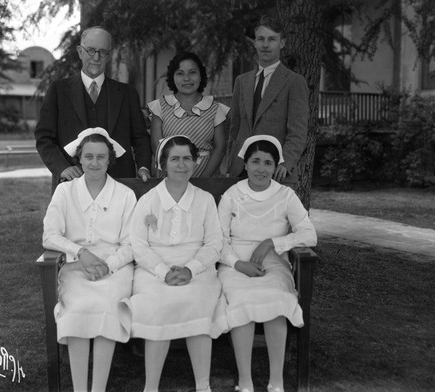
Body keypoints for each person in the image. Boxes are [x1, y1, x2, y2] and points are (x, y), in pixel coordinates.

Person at [218, 135, 317, 392]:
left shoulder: (285, 195)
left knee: (276, 297)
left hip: (273, 263)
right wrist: (238, 264)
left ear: (276, 167)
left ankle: (276, 382)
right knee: (241, 299)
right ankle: (246, 382)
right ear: (246, 164)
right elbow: (217, 240)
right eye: (255, 161)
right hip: (235, 263)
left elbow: (308, 234)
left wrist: (272, 243)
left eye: (268, 163)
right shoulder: (232, 195)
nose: (261, 168)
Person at [128, 135, 227, 392]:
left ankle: (203, 385)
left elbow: (214, 243)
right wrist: (162, 271)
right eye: (174, 159)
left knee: (196, 301)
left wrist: (191, 269)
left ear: (195, 163)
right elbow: (138, 244)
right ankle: (151, 386)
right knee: (158, 303)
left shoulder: (204, 200)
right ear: (163, 164)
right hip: (153, 268)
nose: (181, 165)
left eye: (187, 158)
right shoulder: (149, 200)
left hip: (198, 268)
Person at [42, 127, 136, 392]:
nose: (94, 163)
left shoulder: (125, 195)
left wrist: (109, 265)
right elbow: (49, 235)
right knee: (79, 306)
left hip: (114, 267)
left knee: (108, 306)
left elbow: (131, 243)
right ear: (79, 159)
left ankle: (98, 389)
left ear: (110, 160)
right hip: (75, 265)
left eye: (101, 157)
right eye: (89, 157)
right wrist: (80, 253)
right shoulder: (64, 192)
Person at [35, 26, 152, 192]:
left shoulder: (128, 94)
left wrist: (143, 167)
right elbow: (44, 137)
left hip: (120, 185)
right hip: (71, 185)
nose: (96, 57)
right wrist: (62, 168)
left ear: (109, 55)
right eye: (90, 50)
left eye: (102, 52)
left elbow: (140, 138)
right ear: (79, 51)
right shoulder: (58, 90)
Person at [227, 15, 309, 190]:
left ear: (282, 43)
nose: (265, 45)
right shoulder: (242, 81)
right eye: (261, 39)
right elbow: (234, 128)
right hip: (241, 171)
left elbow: (298, 132)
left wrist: (285, 163)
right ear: (255, 43)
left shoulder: (294, 82)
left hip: (276, 172)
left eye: (272, 39)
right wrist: (230, 164)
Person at [148, 52, 229, 177]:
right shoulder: (160, 106)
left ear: (201, 75)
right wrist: (174, 179)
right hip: (169, 177)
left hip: (206, 177)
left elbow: (220, 147)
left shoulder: (214, 108)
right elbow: (156, 147)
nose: (186, 78)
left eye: (192, 72)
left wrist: (202, 181)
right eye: (180, 73)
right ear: (172, 77)